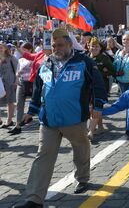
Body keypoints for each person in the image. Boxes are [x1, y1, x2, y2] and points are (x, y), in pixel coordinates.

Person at [14, 28, 107, 208]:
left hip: (74, 118)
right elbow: (37, 91)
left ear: (70, 44)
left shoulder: (84, 62)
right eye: (54, 45)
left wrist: (98, 106)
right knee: (43, 157)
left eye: (61, 45)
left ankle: (82, 177)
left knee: (80, 148)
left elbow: (97, 85)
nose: (57, 48)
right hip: (49, 120)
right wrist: (31, 111)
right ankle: (34, 199)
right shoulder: (46, 64)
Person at [88, 37, 115, 141]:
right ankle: (100, 127)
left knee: (96, 107)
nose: (94, 48)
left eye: (97, 46)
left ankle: (91, 131)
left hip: (101, 86)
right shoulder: (87, 58)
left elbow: (112, 70)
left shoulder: (103, 58)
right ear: (89, 47)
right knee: (93, 108)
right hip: (89, 87)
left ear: (100, 48)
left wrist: (105, 72)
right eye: (92, 46)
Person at [113, 33, 129, 139]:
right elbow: (115, 65)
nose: (126, 41)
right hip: (121, 81)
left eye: (128, 39)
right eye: (124, 39)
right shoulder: (119, 52)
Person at [8, 42, 34, 135]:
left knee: (36, 103)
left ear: (30, 49)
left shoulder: (33, 58)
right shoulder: (21, 59)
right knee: (19, 104)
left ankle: (33, 118)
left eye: (24, 49)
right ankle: (17, 125)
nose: (22, 51)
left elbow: (34, 70)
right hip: (21, 83)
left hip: (31, 83)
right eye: (22, 49)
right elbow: (17, 70)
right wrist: (17, 77)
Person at [0, 42, 18, 129]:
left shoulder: (11, 58)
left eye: (1, 47)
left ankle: (9, 120)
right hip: (0, 83)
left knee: (10, 102)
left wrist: (16, 82)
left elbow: (17, 71)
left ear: (6, 48)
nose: (0, 49)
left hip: (10, 82)